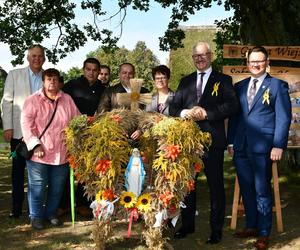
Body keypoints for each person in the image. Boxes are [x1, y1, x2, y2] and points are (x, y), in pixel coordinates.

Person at [170, 41, 239, 243]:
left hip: (213, 142)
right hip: (189, 143)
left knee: (215, 187)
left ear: (211, 56)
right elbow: (173, 108)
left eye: (203, 55)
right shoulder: (185, 81)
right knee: (188, 186)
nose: (199, 59)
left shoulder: (224, 79)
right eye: (196, 56)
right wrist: (187, 113)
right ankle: (188, 225)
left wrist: (207, 113)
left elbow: (233, 106)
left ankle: (216, 230)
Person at [227, 46, 291, 250]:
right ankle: (252, 226)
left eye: (259, 61)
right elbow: (235, 117)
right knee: (247, 189)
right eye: (252, 61)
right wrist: (230, 141)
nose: (255, 64)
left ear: (266, 61)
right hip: (241, 146)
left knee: (262, 189)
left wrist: (278, 144)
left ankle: (264, 233)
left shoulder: (278, 86)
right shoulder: (240, 86)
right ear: (247, 63)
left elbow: (283, 117)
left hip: (264, 148)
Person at [21, 68, 80, 230]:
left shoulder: (67, 99)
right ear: (43, 81)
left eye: (55, 79)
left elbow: (77, 120)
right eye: (48, 79)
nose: (52, 82)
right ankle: (36, 216)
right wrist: (35, 145)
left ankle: (51, 213)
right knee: (38, 187)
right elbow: (26, 126)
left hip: (62, 153)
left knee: (57, 188)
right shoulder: (32, 100)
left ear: (59, 81)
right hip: (40, 153)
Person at [1, 44, 45, 218]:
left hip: (41, 134)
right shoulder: (14, 74)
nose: (37, 59)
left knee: (39, 175)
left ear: (44, 58)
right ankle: (16, 208)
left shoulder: (48, 77)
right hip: (19, 132)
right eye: (33, 56)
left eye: (40, 56)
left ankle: (36, 209)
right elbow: (6, 102)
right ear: (28, 57)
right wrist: (8, 126)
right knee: (18, 173)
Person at [61, 58, 105, 217]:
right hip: (74, 132)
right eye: (88, 69)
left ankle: (83, 203)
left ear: (98, 72)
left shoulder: (103, 88)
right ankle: (64, 203)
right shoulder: (72, 85)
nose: (91, 73)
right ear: (83, 69)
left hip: (93, 135)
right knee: (67, 169)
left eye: (94, 70)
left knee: (87, 170)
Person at [97, 63, 149, 140]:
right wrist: (116, 129)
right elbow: (102, 113)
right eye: (124, 73)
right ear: (119, 74)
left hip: (140, 137)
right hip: (117, 137)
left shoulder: (144, 91)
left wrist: (140, 130)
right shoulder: (110, 92)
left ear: (134, 74)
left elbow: (148, 114)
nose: (127, 75)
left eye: (130, 73)